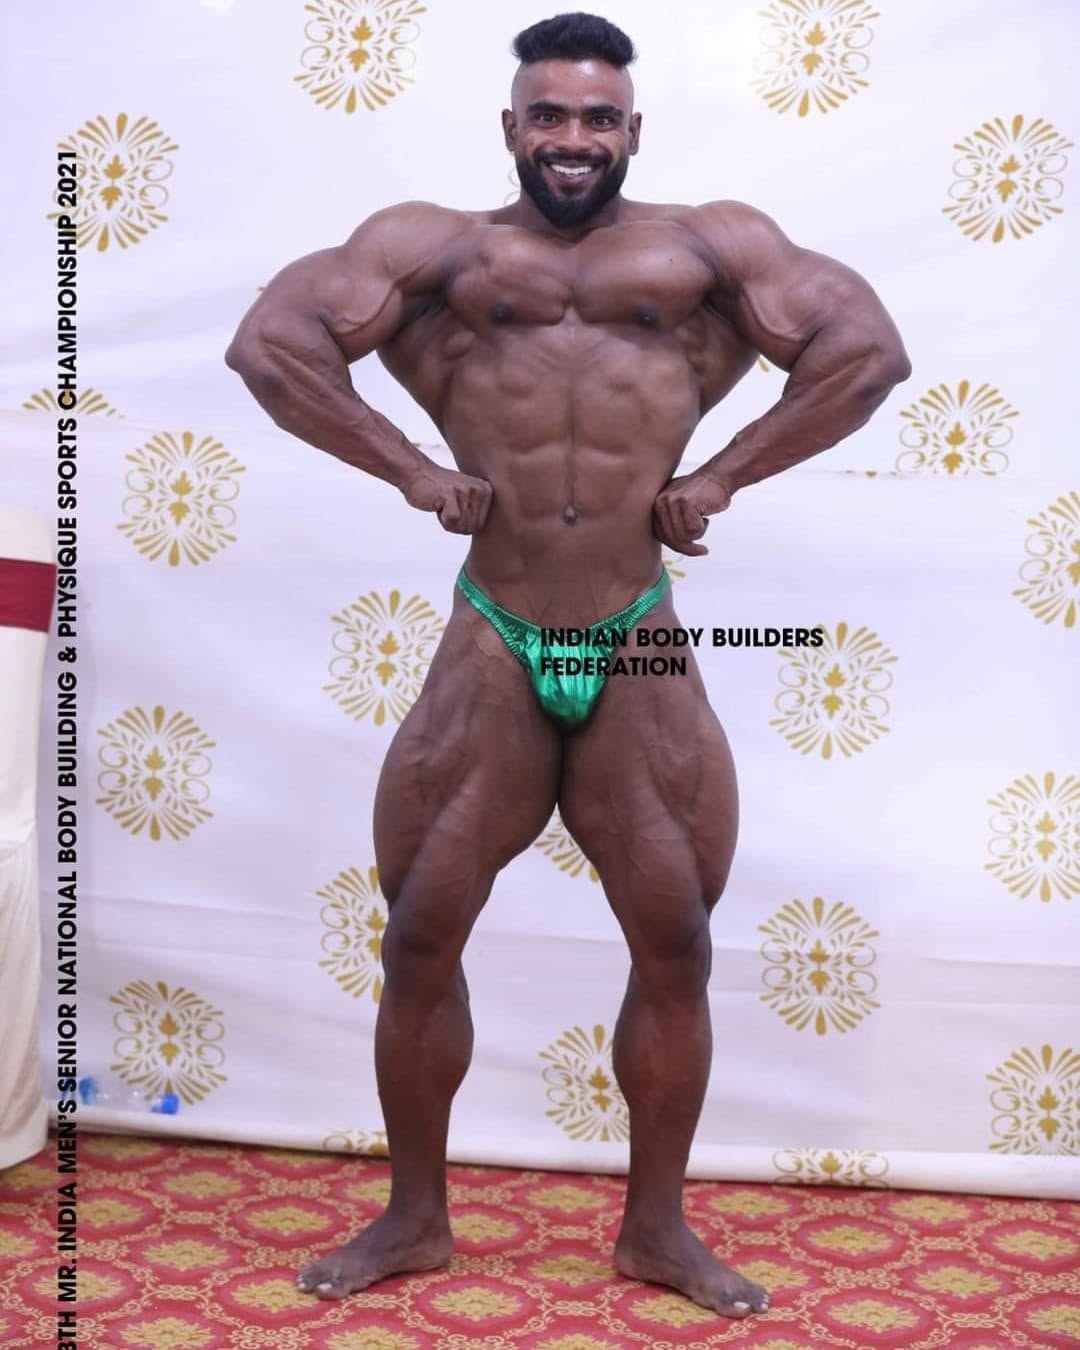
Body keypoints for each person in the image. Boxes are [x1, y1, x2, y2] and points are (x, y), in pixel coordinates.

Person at [225, 11, 910, 1320]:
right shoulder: (438, 249)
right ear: (512, 125)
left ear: (634, 130)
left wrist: (722, 474)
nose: (574, 138)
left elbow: (868, 351)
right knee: (421, 929)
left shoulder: (708, 248)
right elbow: (270, 344)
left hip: (633, 623)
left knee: (675, 936)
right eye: (550, 114)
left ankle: (656, 1229)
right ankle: (414, 1217)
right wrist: (410, 468)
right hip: (497, 622)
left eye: (599, 117)